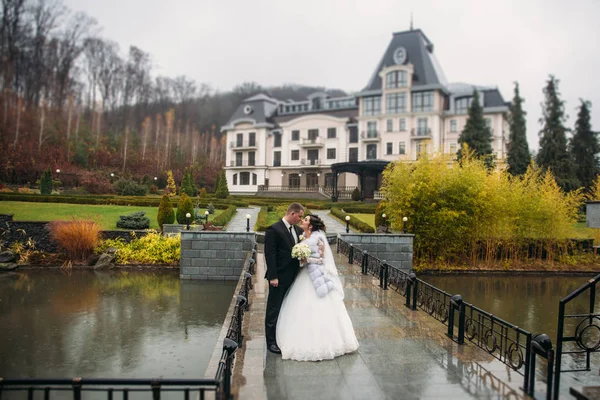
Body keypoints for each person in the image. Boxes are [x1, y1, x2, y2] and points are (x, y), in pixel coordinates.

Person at [276, 214, 359, 361]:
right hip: (304, 276)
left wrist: (306, 258)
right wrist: (302, 258)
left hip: (316, 278)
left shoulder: (318, 238)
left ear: (311, 226)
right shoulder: (304, 237)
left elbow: (322, 259)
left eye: (306, 220)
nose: (303, 221)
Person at [264, 202, 305, 354]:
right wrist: (273, 277)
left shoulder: (297, 230)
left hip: (293, 276)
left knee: (286, 308)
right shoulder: (274, 229)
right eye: (299, 216)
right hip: (279, 278)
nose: (301, 219)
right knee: (273, 309)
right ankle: (271, 342)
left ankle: (281, 336)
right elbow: (270, 254)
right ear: (292, 213)